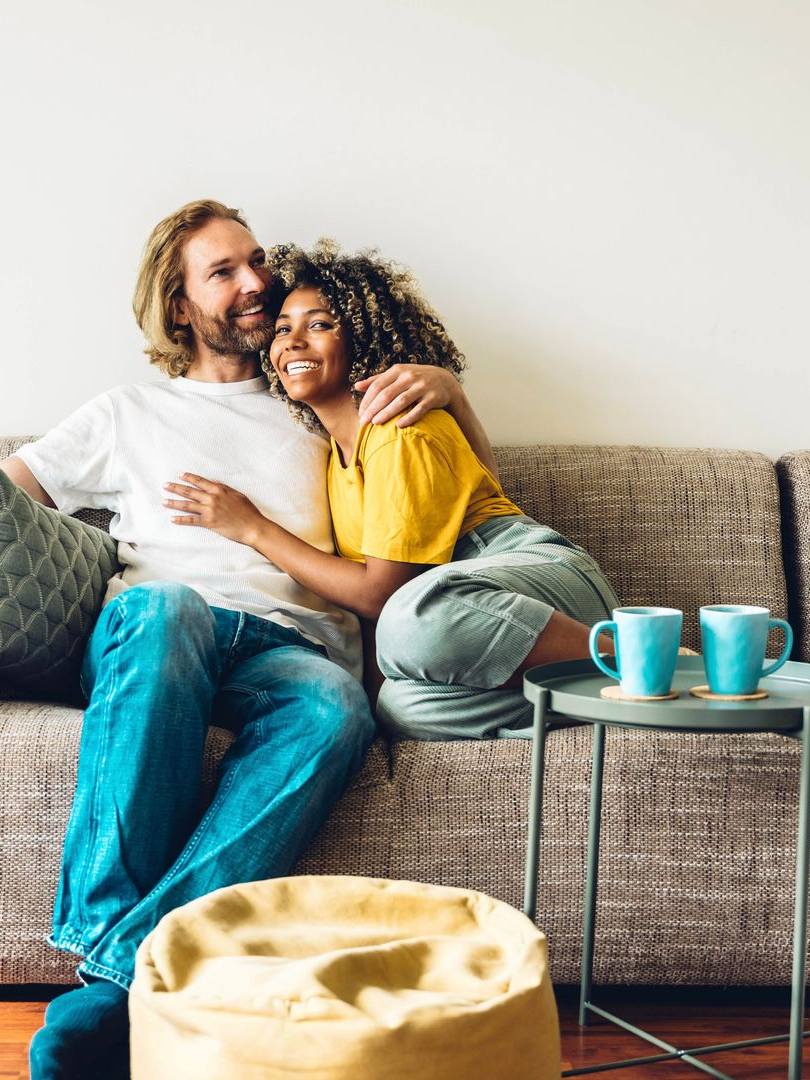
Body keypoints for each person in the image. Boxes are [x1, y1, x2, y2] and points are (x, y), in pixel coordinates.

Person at [2, 202, 490, 1079]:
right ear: (180, 306)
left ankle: (115, 978)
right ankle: (113, 954)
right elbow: (11, 502)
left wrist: (450, 389)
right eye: (223, 271)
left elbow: (462, 476)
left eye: (257, 260)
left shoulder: (317, 401)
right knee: (166, 608)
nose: (257, 283)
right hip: (159, 630)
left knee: (336, 708)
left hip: (287, 648)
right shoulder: (127, 411)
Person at [161, 239, 620, 742]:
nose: (292, 342)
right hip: (464, 618)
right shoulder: (334, 456)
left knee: (408, 619)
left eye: (320, 325)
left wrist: (254, 529)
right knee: (401, 708)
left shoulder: (399, 429)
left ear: (362, 339)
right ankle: (603, 692)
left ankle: (642, 657)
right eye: (283, 328)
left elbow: (380, 595)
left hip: (535, 584)